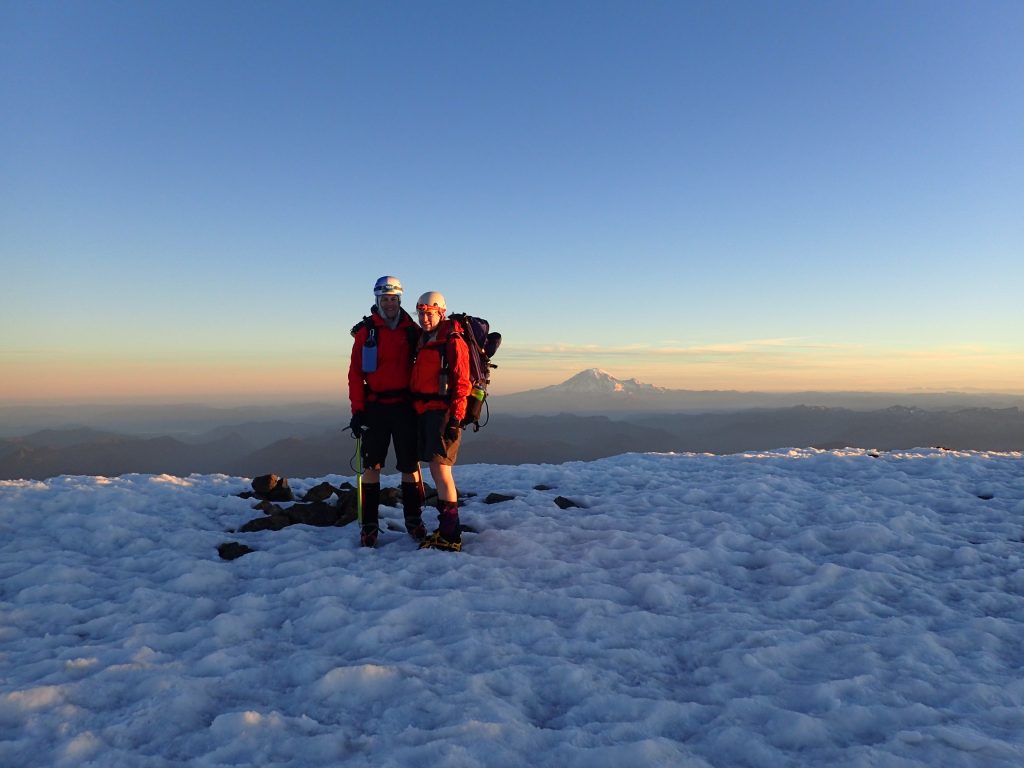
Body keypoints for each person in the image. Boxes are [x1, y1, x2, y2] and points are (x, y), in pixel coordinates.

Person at [348, 276, 425, 547]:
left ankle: (413, 520)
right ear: (377, 300)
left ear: (399, 300)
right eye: (385, 299)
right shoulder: (366, 332)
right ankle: (369, 526)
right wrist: (358, 411)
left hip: (404, 406)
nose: (389, 304)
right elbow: (356, 375)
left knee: (409, 464)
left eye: (393, 299)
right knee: (372, 466)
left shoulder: (411, 330)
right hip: (376, 406)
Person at [410, 291, 471, 552]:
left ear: (441, 312)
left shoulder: (452, 340)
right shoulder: (427, 338)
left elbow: (462, 383)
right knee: (437, 470)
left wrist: (456, 418)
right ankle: (447, 529)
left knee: (442, 471)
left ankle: (451, 534)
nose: (425, 318)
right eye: (421, 313)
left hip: (443, 413)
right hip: (427, 411)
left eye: (429, 313)